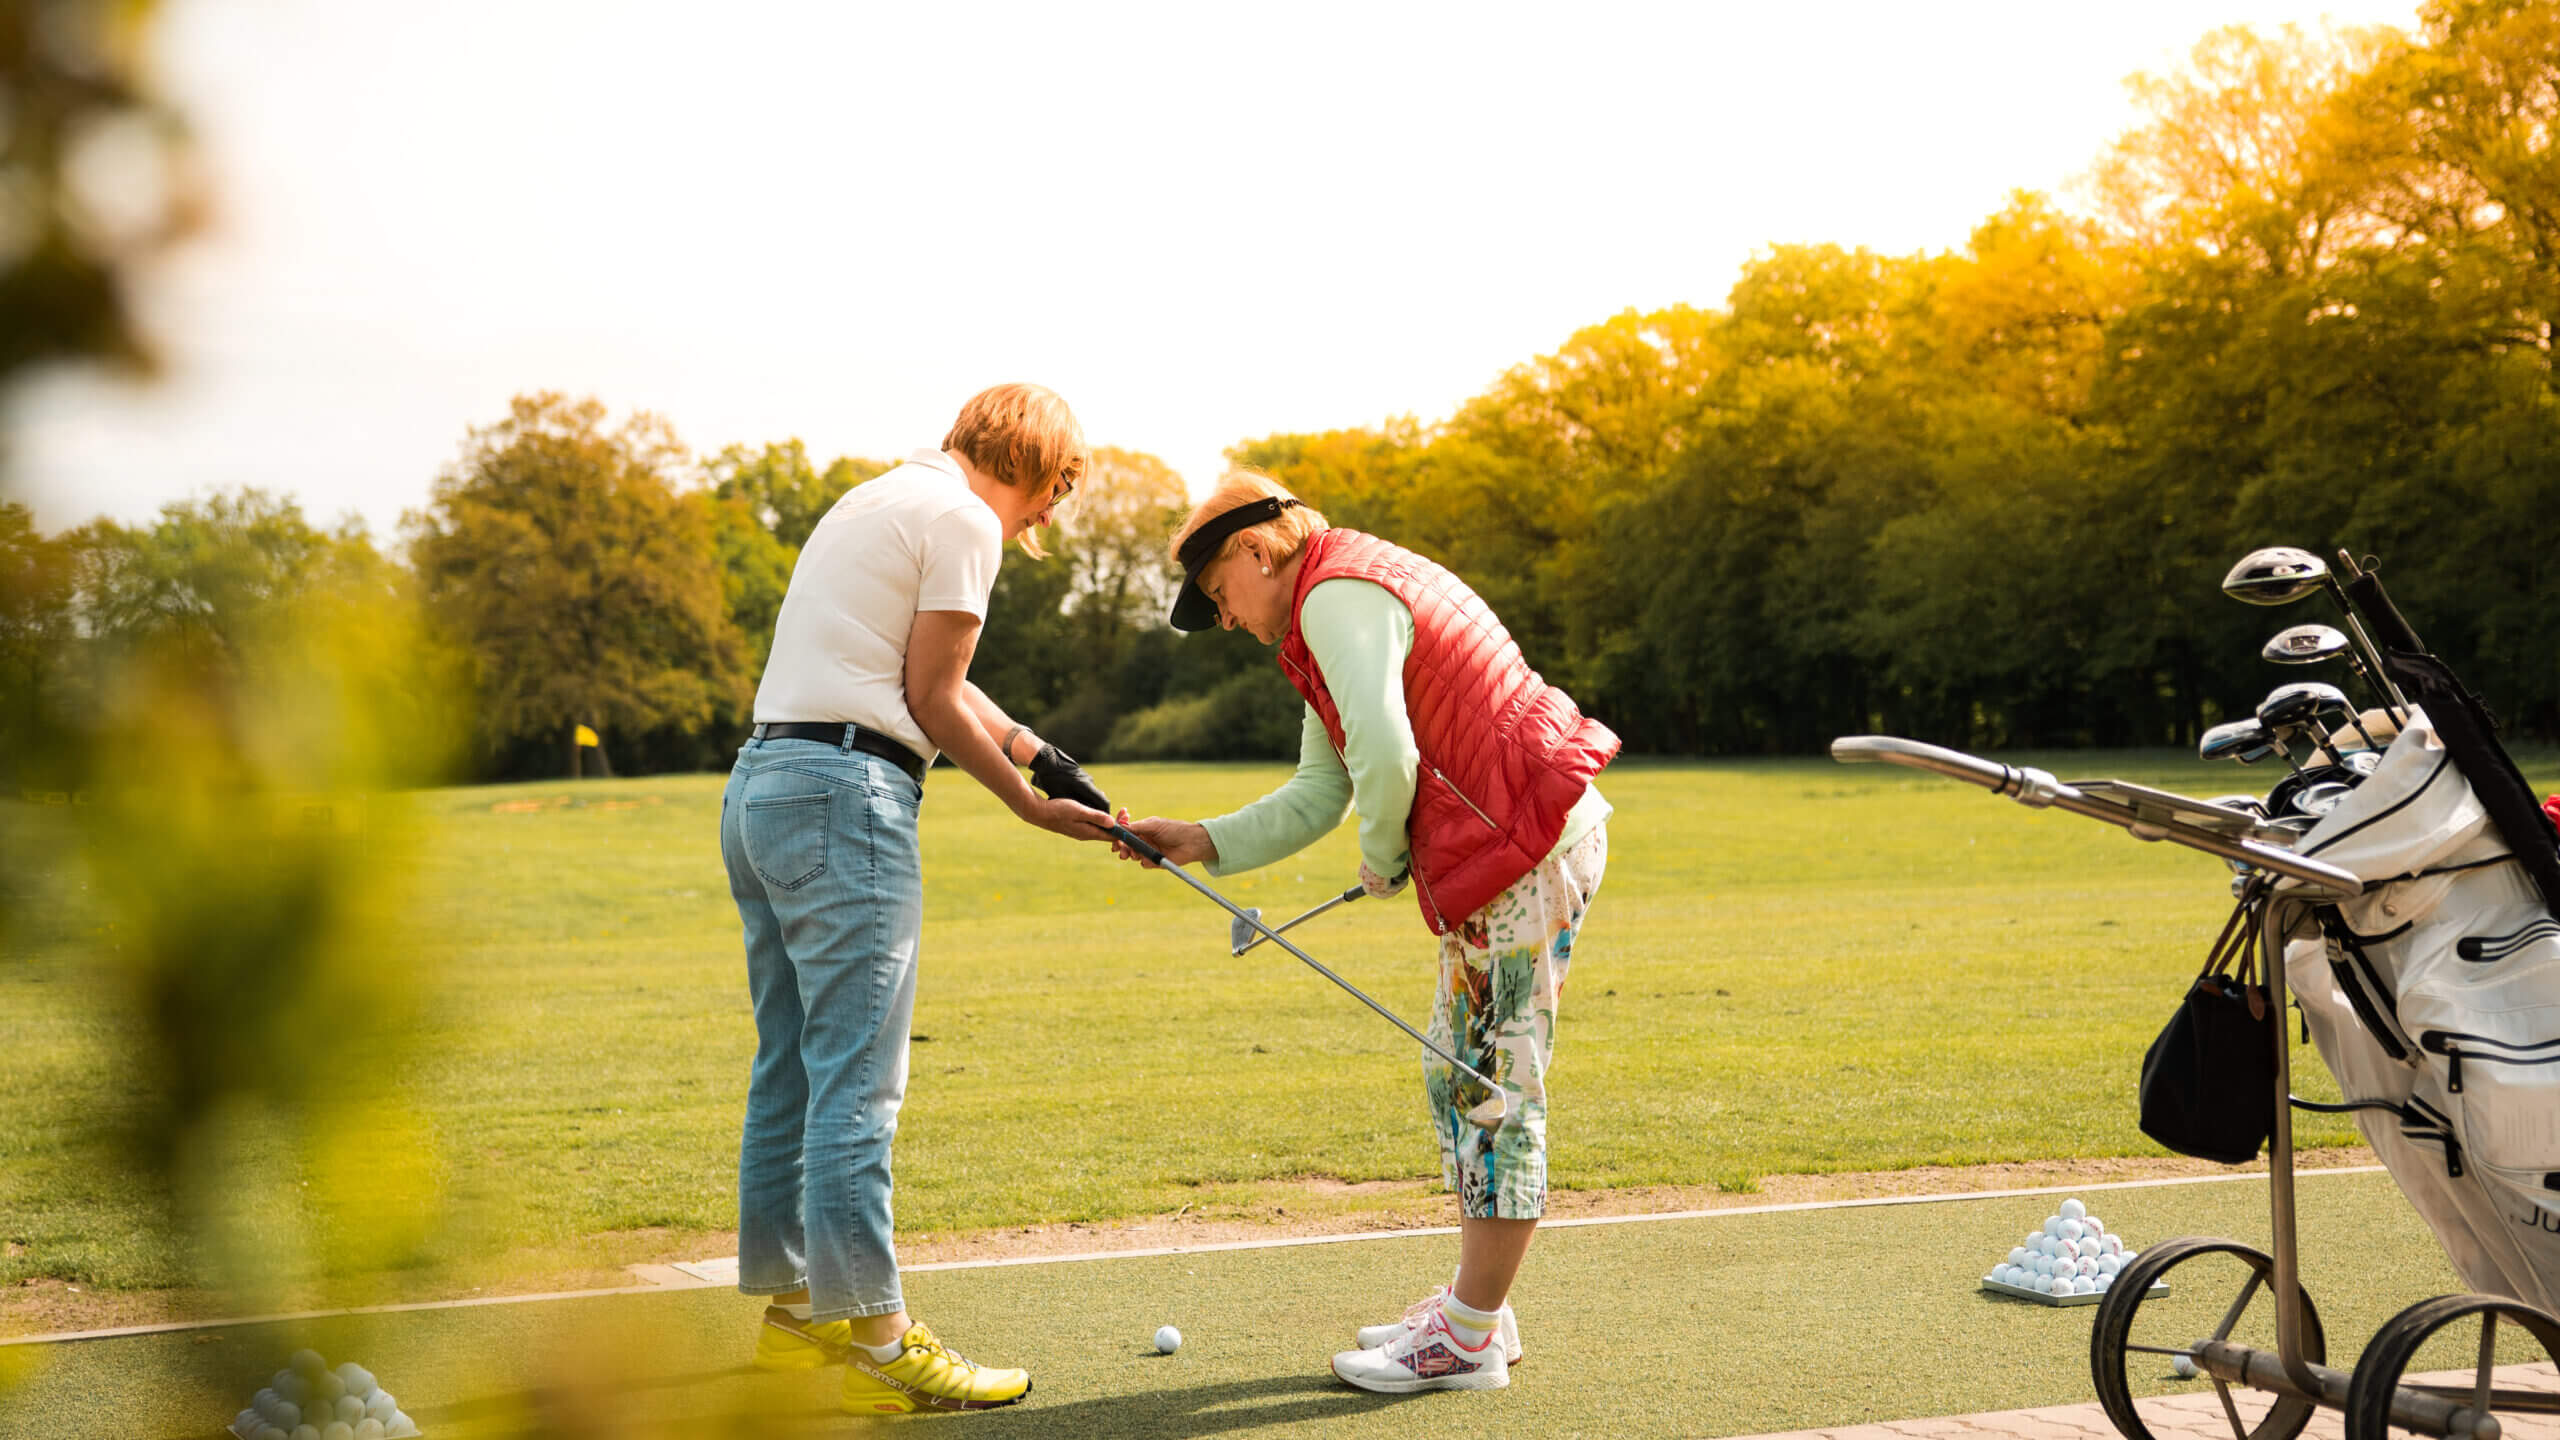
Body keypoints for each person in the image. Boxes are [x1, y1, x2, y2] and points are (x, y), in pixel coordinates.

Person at [1111, 473, 1619, 1394]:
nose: (1225, 620)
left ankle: (1465, 1341)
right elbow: (1325, 787)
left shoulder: (1338, 598)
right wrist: (1203, 842)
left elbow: (1387, 757)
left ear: (1257, 551)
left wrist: (1383, 858)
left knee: (1494, 1090)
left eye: (1220, 595)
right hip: (1515, 847)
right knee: (1457, 1074)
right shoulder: (1331, 607)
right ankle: (1482, 1311)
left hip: (1527, 844)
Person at [721, 383, 1115, 1415]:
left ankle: (802, 1317)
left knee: (796, 1067)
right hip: (845, 796)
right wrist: (1028, 806)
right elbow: (932, 697)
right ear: (1030, 466)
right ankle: (881, 1339)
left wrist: (1039, 750)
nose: (1036, 523)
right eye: (1047, 500)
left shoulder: (881, 499)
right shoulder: (965, 520)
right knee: (859, 1078)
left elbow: (916, 669)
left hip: (763, 784)